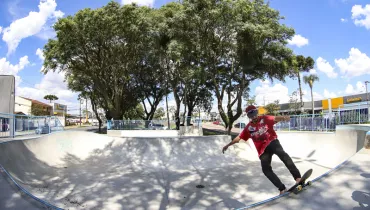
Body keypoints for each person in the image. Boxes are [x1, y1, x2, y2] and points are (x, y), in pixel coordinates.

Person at [222, 105, 301, 195]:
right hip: (263, 151)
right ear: (248, 116)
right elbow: (239, 137)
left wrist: (283, 117)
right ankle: (282, 189)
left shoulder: (265, 118)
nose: (254, 117)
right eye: (251, 116)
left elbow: (275, 118)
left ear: (257, 113)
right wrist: (228, 144)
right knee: (266, 169)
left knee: (283, 155)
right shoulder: (248, 128)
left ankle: (298, 178)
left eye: (255, 115)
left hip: (272, 142)